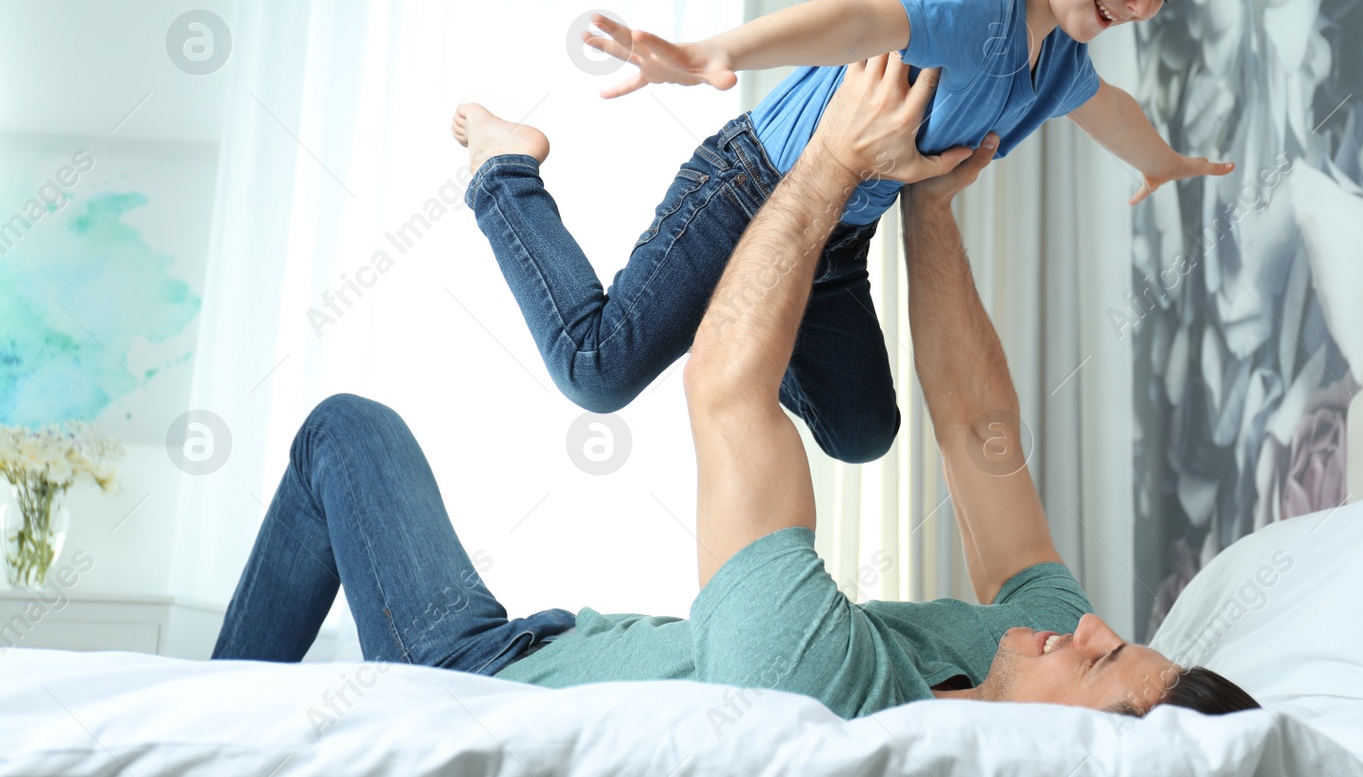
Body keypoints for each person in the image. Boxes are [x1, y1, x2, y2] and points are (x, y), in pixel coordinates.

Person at [214, 53, 1258, 720]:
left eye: (1090, 661)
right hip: (558, 630)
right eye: (1109, 639)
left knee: (350, 432)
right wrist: (929, 205)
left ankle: (194, 715)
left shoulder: (822, 700)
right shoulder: (1022, 647)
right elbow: (981, 429)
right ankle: (833, 249)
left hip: (475, 669)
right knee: (861, 427)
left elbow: (723, 389)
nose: (1082, 626)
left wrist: (833, 167)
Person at [451, 0, 1237, 466]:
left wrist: (1162, 161)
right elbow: (856, 19)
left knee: (864, 435)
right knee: (596, 370)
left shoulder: (1061, 57)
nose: (1141, 7)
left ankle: (754, 324)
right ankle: (505, 167)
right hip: (749, 191)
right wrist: (713, 51)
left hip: (835, 239)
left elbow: (1110, 108)